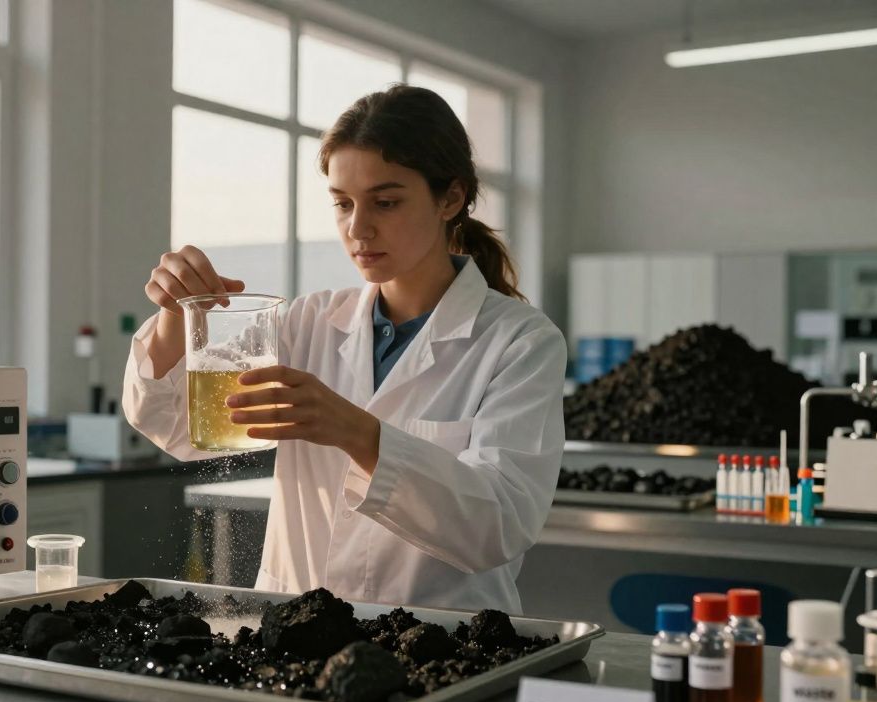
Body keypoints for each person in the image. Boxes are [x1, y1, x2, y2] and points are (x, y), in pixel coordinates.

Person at [122, 84, 566, 613]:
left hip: (437, 638)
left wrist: (358, 433)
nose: (358, 228)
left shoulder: (520, 343)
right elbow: (177, 424)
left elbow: (497, 525)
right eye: (342, 203)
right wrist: (177, 315)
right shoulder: (305, 323)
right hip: (296, 628)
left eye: (386, 202)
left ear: (450, 198)